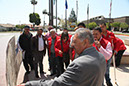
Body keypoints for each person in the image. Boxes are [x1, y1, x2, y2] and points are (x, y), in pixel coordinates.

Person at [17, 28, 106, 86]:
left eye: (75, 42)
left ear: (85, 42)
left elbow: (57, 84)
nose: (72, 45)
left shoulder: (79, 64)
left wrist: (29, 85)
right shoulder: (101, 57)